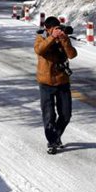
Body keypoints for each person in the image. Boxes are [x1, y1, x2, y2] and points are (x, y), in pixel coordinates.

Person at [34, 16, 78, 154]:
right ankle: (52, 142)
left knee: (66, 114)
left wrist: (64, 40)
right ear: (47, 29)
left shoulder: (63, 38)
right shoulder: (41, 38)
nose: (57, 30)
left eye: (58, 27)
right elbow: (40, 50)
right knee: (49, 115)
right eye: (54, 28)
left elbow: (72, 55)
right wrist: (52, 37)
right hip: (46, 82)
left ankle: (56, 135)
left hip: (62, 82)